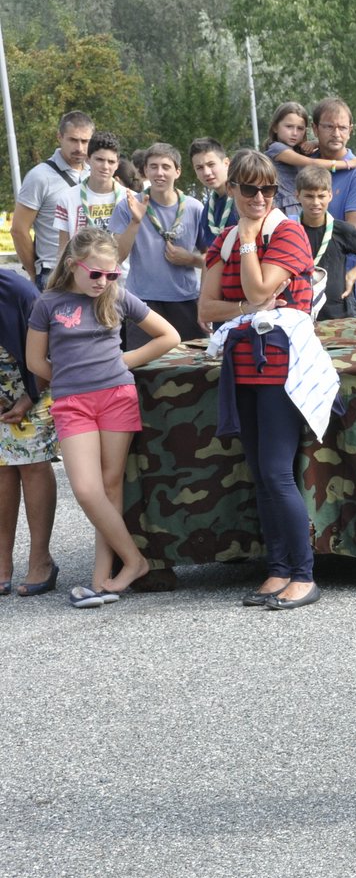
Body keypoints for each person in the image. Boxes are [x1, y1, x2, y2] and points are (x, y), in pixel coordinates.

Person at [198, 149, 337, 610]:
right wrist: (247, 309)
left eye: (268, 189)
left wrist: (248, 244)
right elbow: (206, 310)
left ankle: (303, 574)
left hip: (283, 367)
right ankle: (278, 569)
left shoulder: (289, 232)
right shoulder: (220, 240)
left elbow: (260, 289)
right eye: (250, 188)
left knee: (278, 473)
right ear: (232, 189)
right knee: (260, 474)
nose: (260, 197)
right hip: (242, 363)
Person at [28, 229, 179, 607]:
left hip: (117, 397)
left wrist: (120, 363)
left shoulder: (117, 296)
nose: (102, 281)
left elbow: (169, 336)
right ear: (71, 265)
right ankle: (134, 561)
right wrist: (72, 375)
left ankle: (101, 579)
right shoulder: (48, 303)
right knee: (86, 489)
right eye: (95, 273)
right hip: (72, 402)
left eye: (111, 274)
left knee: (111, 488)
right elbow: (35, 361)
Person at [110, 142, 206, 344]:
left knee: (192, 367)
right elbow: (117, 257)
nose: (159, 173)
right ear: (145, 171)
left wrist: (190, 259)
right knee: (146, 369)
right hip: (143, 302)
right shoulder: (128, 206)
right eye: (153, 167)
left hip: (186, 299)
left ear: (177, 172)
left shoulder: (195, 208)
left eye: (166, 167)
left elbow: (211, 260)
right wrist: (136, 222)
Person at [0, 267, 57, 598]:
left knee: (32, 463)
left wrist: (28, 396)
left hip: (35, 381)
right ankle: (2, 562)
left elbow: (47, 351)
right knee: (2, 470)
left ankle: (41, 560)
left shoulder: (19, 291)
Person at [310, 98, 356, 316]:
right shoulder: (304, 165)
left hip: (342, 288)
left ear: (351, 131)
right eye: (329, 126)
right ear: (315, 129)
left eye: (342, 127)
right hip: (303, 287)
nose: (336, 133)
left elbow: (353, 232)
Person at [13, 110, 93, 287]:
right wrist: (35, 274)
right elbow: (19, 230)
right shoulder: (40, 177)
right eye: (73, 140)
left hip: (92, 271)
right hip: (54, 271)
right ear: (60, 137)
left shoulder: (95, 174)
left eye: (85, 141)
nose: (79, 148)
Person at [295, 166, 356, 322]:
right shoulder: (290, 231)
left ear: (330, 196)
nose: (316, 202)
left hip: (337, 314)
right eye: (309, 196)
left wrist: (352, 275)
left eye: (321, 196)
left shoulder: (342, 230)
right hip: (300, 312)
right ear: (297, 195)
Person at [265, 102, 356, 219]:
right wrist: (348, 163)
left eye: (300, 128)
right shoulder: (276, 149)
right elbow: (312, 163)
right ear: (275, 127)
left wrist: (315, 143)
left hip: (299, 205)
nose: (294, 133)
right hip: (284, 207)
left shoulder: (299, 150)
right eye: (289, 127)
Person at [54, 131, 127, 251]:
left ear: (117, 164)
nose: (105, 166)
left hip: (120, 269)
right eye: (99, 159)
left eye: (111, 162)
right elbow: (63, 248)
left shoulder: (130, 198)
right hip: (82, 268)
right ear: (87, 159)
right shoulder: (68, 198)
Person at [188, 138, 239, 255]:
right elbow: (211, 256)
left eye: (211, 164)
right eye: (199, 168)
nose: (206, 172)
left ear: (226, 163)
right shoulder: (207, 211)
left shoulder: (245, 198)